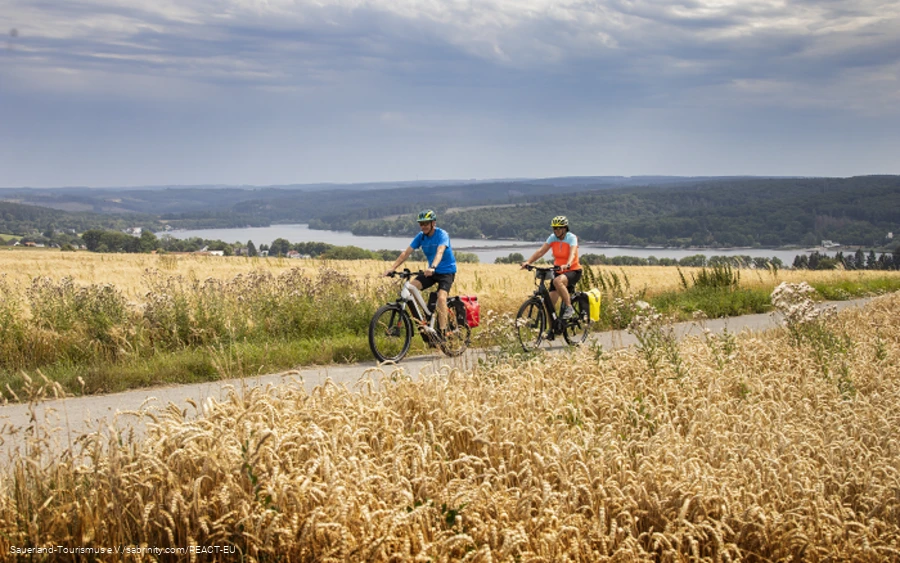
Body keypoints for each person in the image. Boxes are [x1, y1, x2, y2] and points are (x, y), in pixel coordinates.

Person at [385, 209, 457, 333]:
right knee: (410, 288)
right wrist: (392, 268)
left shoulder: (442, 234)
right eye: (421, 224)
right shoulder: (421, 237)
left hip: (446, 271)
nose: (423, 226)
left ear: (433, 223)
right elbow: (406, 253)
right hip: (431, 272)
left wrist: (433, 267)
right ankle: (427, 314)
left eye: (426, 224)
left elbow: (440, 251)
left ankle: (443, 331)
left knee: (441, 298)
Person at [521, 215, 582, 319]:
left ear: (565, 228)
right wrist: (528, 262)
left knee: (557, 281)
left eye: (559, 228)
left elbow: (572, 253)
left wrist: (567, 264)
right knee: (549, 305)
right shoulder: (552, 238)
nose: (556, 230)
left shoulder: (571, 238)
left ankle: (569, 307)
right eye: (554, 228)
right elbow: (541, 251)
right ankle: (551, 332)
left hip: (573, 270)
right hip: (558, 270)